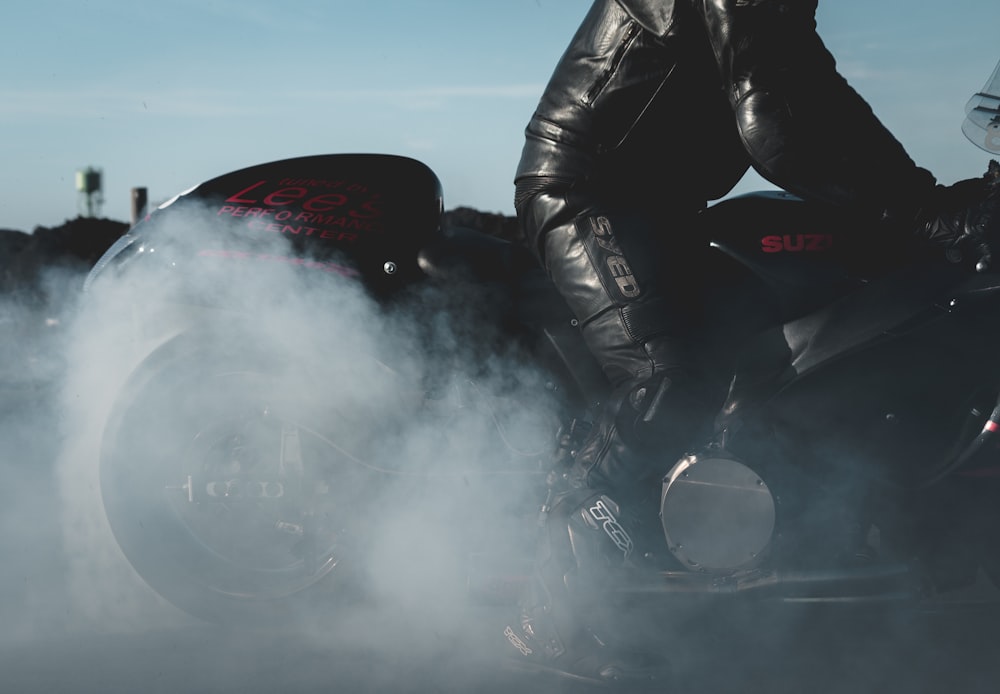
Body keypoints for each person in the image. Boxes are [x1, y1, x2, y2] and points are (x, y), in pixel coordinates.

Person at [501, 0, 1000, 688]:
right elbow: (774, 118)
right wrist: (927, 208)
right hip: (592, 193)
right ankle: (548, 613)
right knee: (667, 382)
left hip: (666, 204)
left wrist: (929, 201)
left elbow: (814, 91)